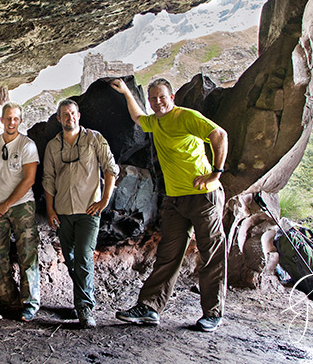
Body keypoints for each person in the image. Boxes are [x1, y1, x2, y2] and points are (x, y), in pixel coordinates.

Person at [110, 78, 228, 332]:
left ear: (171, 97)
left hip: (203, 196)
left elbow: (219, 134)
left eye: (161, 97)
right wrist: (127, 92)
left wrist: (216, 173)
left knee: (211, 255)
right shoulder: (156, 121)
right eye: (152, 98)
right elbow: (138, 117)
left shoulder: (185, 116)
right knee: (168, 256)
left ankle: (213, 313)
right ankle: (149, 308)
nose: (157, 102)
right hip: (175, 200)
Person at [42, 99, 118, 328]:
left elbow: (111, 168)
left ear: (79, 115)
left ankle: (86, 308)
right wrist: (50, 209)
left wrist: (104, 200)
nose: (69, 117)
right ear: (58, 118)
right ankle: (80, 300)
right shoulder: (53, 146)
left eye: (73, 113)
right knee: (71, 258)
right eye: (65, 114)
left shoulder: (94, 138)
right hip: (63, 211)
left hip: (88, 210)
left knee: (84, 256)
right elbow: (48, 179)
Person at [0, 102, 41, 322]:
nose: (11, 122)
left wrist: (6, 204)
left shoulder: (27, 145)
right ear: (1, 119)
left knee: (27, 250)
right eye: (8, 118)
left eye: (15, 118)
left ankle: (30, 303)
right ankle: (10, 300)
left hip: (22, 205)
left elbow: (30, 179)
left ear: (20, 120)